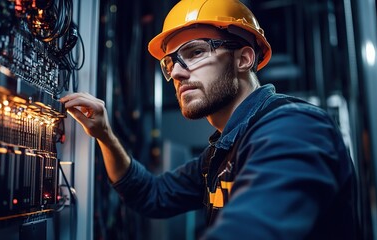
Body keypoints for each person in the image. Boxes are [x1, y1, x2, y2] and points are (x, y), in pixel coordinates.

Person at [60, 0, 360, 239]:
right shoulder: (221, 153)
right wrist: (104, 134)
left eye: (196, 52)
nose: (176, 73)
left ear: (243, 59)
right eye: (170, 63)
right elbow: (150, 195)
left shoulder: (296, 129)